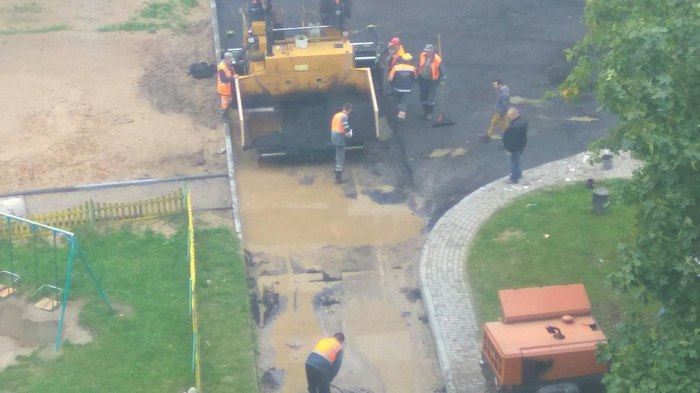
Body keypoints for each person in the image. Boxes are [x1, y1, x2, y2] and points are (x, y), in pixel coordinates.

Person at [417, 44, 446, 120]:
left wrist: (443, 80)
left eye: (428, 51)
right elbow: (419, 65)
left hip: (432, 81)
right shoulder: (422, 55)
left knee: (430, 98)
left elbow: (443, 71)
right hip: (423, 80)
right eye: (426, 51)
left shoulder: (437, 59)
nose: (427, 52)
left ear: (432, 51)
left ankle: (430, 113)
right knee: (423, 97)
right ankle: (425, 111)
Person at [388, 53, 417, 121]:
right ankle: (401, 116)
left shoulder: (396, 67)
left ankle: (399, 108)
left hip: (397, 88)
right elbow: (415, 78)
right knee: (404, 101)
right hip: (407, 89)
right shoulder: (413, 68)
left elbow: (390, 78)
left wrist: (392, 85)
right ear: (409, 61)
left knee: (399, 99)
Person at [502, 107, 528, 184]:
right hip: (521, 145)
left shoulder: (514, 126)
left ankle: (514, 178)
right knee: (517, 160)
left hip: (514, 147)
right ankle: (518, 173)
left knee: (513, 162)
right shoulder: (522, 121)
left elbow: (512, 139)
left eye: (509, 115)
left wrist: (509, 149)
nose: (508, 117)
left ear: (514, 114)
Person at [330, 103, 353, 184]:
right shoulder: (344, 116)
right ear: (349, 110)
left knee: (338, 153)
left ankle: (337, 169)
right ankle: (338, 177)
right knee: (341, 155)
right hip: (339, 137)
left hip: (333, 135)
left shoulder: (337, 115)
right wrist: (349, 132)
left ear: (343, 108)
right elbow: (345, 126)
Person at [217, 52, 238, 123]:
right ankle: (222, 116)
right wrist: (233, 78)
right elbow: (223, 79)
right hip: (224, 90)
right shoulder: (221, 68)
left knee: (229, 102)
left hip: (229, 88)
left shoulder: (229, 65)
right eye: (230, 60)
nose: (231, 61)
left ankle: (225, 111)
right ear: (226, 60)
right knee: (224, 104)